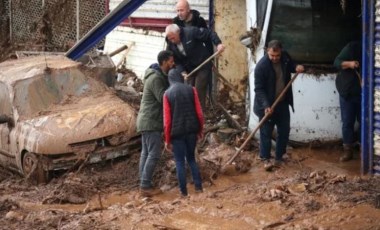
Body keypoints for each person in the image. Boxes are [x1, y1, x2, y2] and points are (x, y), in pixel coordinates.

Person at [253, 40, 304, 171]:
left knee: (284, 130)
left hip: (282, 102)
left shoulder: (285, 57)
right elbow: (259, 89)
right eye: (272, 56)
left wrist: (297, 67)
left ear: (281, 52)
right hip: (266, 104)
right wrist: (266, 105)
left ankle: (279, 157)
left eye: (277, 56)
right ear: (267, 51)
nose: (275, 58)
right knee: (266, 132)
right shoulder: (261, 67)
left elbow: (291, 66)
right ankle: (265, 158)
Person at [136, 50, 175, 197]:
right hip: (151, 121)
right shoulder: (156, 79)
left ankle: (143, 183)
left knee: (146, 153)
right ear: (164, 62)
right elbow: (163, 99)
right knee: (154, 153)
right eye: (171, 61)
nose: (173, 64)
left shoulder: (154, 76)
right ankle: (145, 186)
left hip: (145, 120)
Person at [163, 66, 204, 197]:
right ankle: (198, 188)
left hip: (177, 134)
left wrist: (167, 140)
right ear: (181, 78)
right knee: (191, 159)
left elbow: (167, 121)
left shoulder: (167, 94)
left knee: (180, 161)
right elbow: (199, 113)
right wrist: (200, 130)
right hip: (192, 130)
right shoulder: (192, 90)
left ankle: (183, 193)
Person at [165, 23, 225, 111]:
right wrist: (182, 71)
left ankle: (200, 114)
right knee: (189, 90)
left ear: (178, 32)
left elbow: (209, 33)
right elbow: (177, 61)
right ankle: (191, 112)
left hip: (203, 64)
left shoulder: (190, 32)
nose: (172, 41)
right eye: (170, 39)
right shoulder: (170, 44)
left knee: (198, 89)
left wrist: (218, 44)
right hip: (189, 68)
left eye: (173, 38)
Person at [334, 41, 362, 162]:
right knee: (347, 122)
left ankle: (363, 149)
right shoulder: (353, 47)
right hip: (347, 92)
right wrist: (350, 64)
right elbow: (336, 62)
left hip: (364, 94)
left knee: (364, 122)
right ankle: (348, 151)